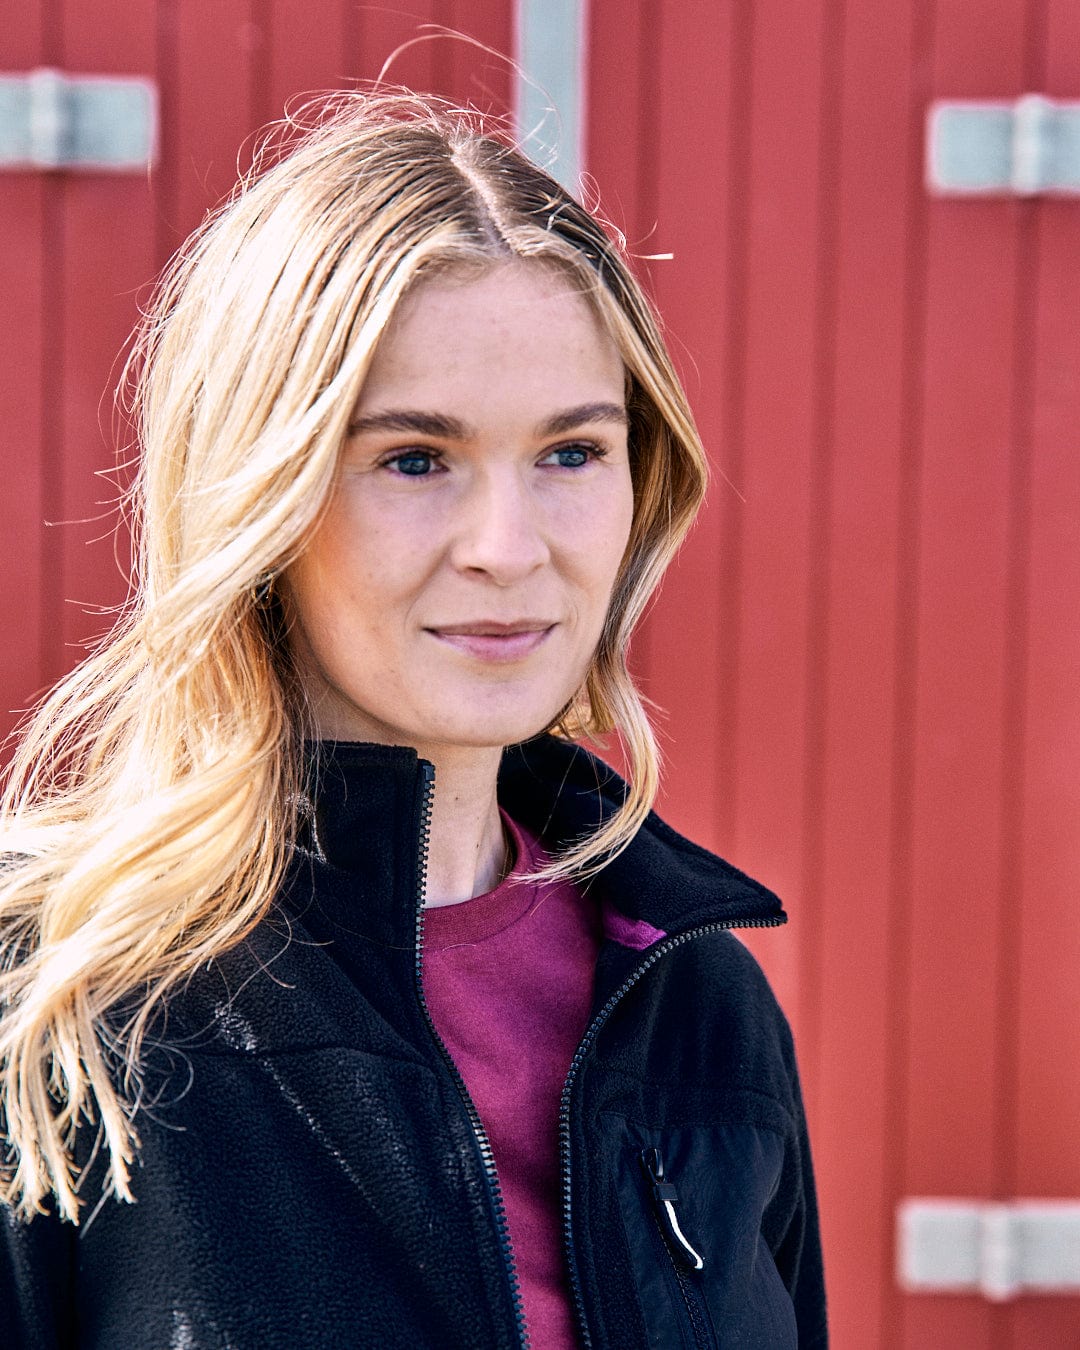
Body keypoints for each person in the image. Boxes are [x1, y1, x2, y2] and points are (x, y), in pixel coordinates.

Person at [0, 91, 826, 1349]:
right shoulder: (56, 995)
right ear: (260, 494)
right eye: (413, 460)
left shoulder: (698, 999)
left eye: (570, 453)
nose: (509, 549)